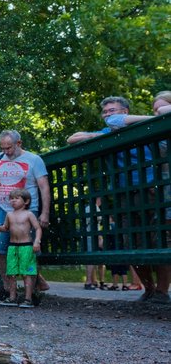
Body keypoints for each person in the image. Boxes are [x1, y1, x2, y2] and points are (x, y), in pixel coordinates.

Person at [68, 95, 169, 303]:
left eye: (111, 110)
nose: (107, 115)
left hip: (152, 190)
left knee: (158, 240)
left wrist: (147, 119)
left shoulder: (146, 127)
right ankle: (149, 289)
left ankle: (162, 291)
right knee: (131, 242)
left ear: (125, 111)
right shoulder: (108, 133)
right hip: (124, 194)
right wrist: (96, 135)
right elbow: (72, 138)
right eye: (104, 112)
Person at [0, 130, 51, 303]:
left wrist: (45, 213)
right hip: (2, 209)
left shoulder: (34, 160)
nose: (6, 152)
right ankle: (7, 290)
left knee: (28, 250)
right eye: (2, 148)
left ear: (19, 143)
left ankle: (31, 293)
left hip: (27, 211)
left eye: (9, 148)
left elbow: (44, 187)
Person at [0, 189, 42, 308]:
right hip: (12, 247)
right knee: (11, 273)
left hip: (26, 247)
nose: (13, 200)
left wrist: (37, 241)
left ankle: (28, 299)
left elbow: (38, 228)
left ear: (26, 201)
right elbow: (6, 228)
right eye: (11, 198)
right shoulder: (9, 215)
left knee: (27, 273)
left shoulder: (29, 214)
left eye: (17, 198)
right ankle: (12, 298)